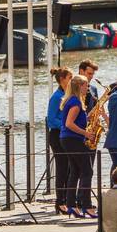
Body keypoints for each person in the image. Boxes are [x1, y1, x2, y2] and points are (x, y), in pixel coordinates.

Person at [59, 74, 95, 218]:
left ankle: (71, 205)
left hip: (67, 139)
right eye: (85, 85)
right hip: (73, 139)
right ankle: (86, 206)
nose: (87, 87)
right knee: (87, 171)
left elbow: (75, 120)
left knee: (75, 171)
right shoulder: (75, 102)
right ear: (79, 86)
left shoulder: (72, 100)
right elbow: (69, 123)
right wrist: (86, 133)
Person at [46, 67, 72, 214]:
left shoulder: (67, 95)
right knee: (62, 167)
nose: (71, 80)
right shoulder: (57, 97)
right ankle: (60, 201)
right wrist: (66, 124)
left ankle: (68, 200)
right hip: (57, 135)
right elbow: (51, 119)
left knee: (69, 167)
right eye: (69, 78)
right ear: (62, 80)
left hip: (66, 134)